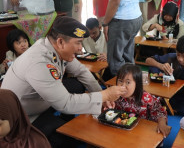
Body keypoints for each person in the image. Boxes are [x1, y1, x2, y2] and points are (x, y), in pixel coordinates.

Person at [1, 16, 127, 147]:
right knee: (70, 138)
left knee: (76, 85)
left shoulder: (54, 47)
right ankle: (58, 125)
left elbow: (81, 71)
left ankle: (62, 120)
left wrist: (101, 94)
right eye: (78, 43)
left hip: (40, 102)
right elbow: (65, 103)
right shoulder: (38, 62)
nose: (80, 48)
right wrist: (104, 95)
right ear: (61, 42)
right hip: (24, 117)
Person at [146, 35, 184, 115]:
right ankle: (162, 100)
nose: (180, 59)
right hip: (169, 89)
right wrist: (161, 66)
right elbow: (148, 60)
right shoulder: (171, 57)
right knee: (154, 68)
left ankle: (164, 104)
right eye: (178, 54)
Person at [114, 63, 171, 138]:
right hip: (120, 130)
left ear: (137, 84)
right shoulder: (114, 95)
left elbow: (159, 111)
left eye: (128, 82)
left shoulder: (146, 98)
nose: (122, 86)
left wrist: (162, 123)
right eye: (120, 81)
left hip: (141, 133)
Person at [102, 0, 143, 76]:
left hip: (122, 19)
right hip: (135, 17)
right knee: (127, 56)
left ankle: (122, 87)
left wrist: (105, 23)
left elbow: (115, 1)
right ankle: (132, 85)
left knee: (115, 60)